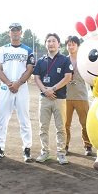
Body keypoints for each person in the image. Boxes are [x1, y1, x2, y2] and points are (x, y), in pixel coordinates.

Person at [0, 23, 35, 162]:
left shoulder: (28, 50)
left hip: (21, 87)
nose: (15, 33)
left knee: (24, 119)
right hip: (7, 87)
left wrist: (18, 83)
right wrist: (9, 83)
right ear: (8, 33)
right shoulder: (3, 49)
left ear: (21, 32)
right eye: (13, 31)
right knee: (2, 119)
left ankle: (27, 149)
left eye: (17, 30)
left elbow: (29, 69)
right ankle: (0, 148)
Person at [33, 33, 73, 164]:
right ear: (45, 44)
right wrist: (45, 90)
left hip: (59, 98)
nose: (51, 43)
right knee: (43, 127)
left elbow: (68, 77)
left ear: (58, 44)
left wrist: (53, 89)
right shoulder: (41, 61)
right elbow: (36, 77)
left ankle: (61, 153)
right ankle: (45, 152)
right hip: (44, 98)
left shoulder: (64, 60)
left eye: (54, 41)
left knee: (60, 127)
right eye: (49, 41)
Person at [64, 35, 93, 156]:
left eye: (73, 44)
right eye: (69, 45)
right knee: (65, 124)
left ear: (78, 46)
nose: (71, 47)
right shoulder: (63, 60)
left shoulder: (84, 61)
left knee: (85, 123)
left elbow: (92, 77)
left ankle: (88, 146)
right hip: (66, 96)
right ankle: (64, 145)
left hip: (81, 95)